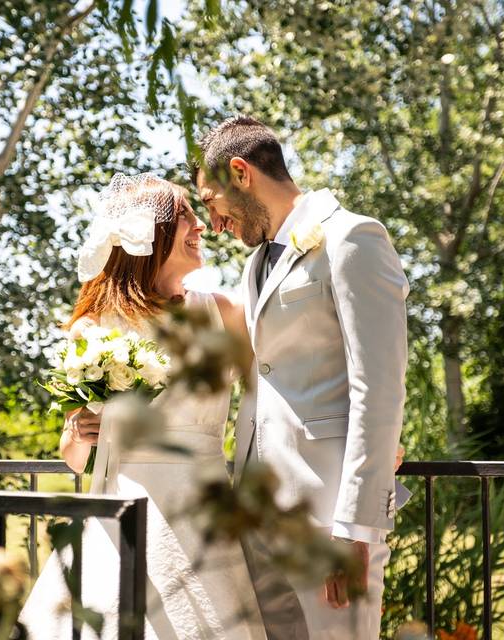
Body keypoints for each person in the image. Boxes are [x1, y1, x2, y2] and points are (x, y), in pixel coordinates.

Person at [19, 173, 268, 639]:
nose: (201, 227)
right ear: (149, 236)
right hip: (122, 512)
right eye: (185, 217)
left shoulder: (226, 314)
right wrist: (78, 435)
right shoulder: (93, 328)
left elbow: (278, 392)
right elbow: (76, 458)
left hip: (204, 509)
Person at [193, 115, 413, 640]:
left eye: (210, 202)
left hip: (326, 520)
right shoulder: (255, 266)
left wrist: (355, 526)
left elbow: (377, 386)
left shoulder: (351, 237)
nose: (214, 223)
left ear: (240, 173)